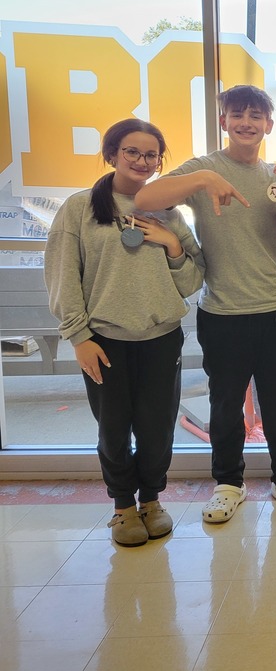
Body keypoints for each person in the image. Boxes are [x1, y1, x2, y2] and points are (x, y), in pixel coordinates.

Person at [134, 84, 276, 523]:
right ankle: (228, 484)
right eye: (238, 115)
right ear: (223, 121)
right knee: (226, 403)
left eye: (256, 116)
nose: (247, 123)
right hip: (222, 311)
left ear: (269, 125)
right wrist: (203, 179)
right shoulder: (203, 168)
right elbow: (144, 200)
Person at [45, 119, 204, 546]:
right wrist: (79, 337)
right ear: (112, 154)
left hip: (161, 338)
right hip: (104, 341)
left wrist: (172, 245)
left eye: (151, 154)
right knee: (113, 429)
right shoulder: (79, 208)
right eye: (132, 151)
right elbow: (64, 277)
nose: (142, 161)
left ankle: (151, 499)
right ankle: (123, 507)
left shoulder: (169, 211)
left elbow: (191, 281)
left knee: (157, 428)